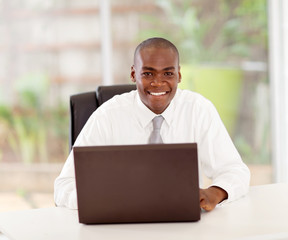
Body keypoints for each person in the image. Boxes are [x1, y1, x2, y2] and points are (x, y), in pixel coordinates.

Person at [54, 37, 250, 212]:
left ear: (179, 75)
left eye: (168, 74)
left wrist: (214, 193)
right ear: (133, 74)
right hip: (120, 225)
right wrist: (106, 200)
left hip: (184, 226)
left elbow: (235, 170)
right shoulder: (108, 116)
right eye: (148, 74)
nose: (158, 83)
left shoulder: (198, 110)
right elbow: (65, 185)